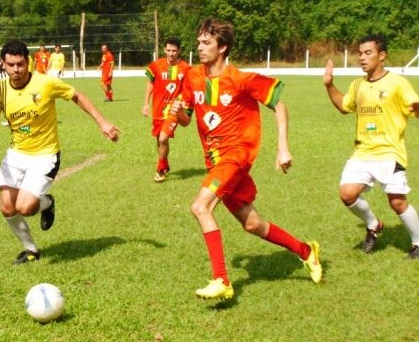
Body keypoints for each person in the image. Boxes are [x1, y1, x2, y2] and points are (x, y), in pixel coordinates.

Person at [171, 18, 322, 301]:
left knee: (200, 207)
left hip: (237, 156)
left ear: (223, 47)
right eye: (199, 41)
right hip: (215, 161)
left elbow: (279, 104)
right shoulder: (192, 77)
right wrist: (179, 110)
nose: (200, 47)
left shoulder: (241, 80)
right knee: (252, 224)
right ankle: (306, 251)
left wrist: (283, 147)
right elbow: (185, 121)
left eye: (207, 43)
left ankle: (222, 280)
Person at [0, 39, 121, 264]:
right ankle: (31, 250)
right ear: (3, 65)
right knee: (7, 207)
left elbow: (78, 96)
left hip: (45, 155)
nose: (16, 70)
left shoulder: (45, 83)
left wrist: (102, 123)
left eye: (20, 64)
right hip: (16, 155)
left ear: (28, 62)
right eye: (11, 65)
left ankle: (47, 203)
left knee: (25, 207)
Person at [323, 34, 419, 259]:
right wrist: (329, 85)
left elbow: (414, 107)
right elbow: (343, 106)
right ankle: (373, 225)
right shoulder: (358, 85)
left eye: (368, 53)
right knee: (347, 194)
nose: (362, 58)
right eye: (360, 53)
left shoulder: (397, 83)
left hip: (389, 152)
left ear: (382, 55)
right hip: (363, 152)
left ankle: (417, 242)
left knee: (397, 202)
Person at [142, 37, 191, 182]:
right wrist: (145, 103)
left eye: (174, 50)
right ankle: (165, 164)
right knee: (160, 140)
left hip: (174, 110)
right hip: (158, 109)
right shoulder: (156, 65)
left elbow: (190, 88)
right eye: (168, 50)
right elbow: (150, 83)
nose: (171, 53)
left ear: (179, 51)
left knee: (163, 138)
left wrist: (183, 104)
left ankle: (160, 169)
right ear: (164, 50)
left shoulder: (186, 68)